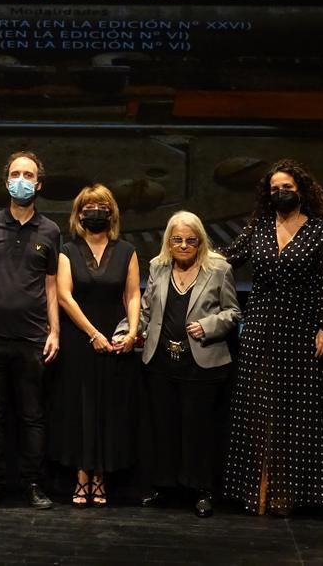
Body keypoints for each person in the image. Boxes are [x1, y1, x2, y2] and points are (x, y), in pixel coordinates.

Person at [222, 158, 323, 516]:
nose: (281, 193)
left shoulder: (321, 231)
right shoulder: (259, 228)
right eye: (275, 189)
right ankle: (253, 492)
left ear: (301, 190)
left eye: (287, 187)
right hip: (259, 326)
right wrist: (185, 251)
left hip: (301, 328)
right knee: (257, 411)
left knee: (296, 413)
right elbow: (226, 259)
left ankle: (288, 494)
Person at [0, 151, 61, 510]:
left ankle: (33, 484)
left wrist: (55, 332)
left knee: (32, 416)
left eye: (29, 174)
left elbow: (51, 286)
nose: (22, 179)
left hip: (33, 338)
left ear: (39, 184)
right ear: (6, 181)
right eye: (16, 173)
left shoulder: (50, 230)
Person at [136, 211, 239, 518]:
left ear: (200, 241)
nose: (183, 246)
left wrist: (208, 325)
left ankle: (202, 490)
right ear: (169, 241)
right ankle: (164, 487)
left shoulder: (218, 269)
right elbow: (145, 311)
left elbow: (233, 313)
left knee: (198, 430)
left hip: (201, 364)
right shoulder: (158, 266)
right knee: (164, 428)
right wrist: (127, 333)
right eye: (177, 240)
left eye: (190, 240)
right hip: (161, 360)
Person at [48, 184, 140, 507]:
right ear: (79, 214)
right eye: (88, 207)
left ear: (111, 212)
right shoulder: (67, 251)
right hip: (80, 340)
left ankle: (100, 477)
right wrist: (92, 334)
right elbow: (63, 296)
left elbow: (132, 295)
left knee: (108, 411)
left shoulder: (127, 250)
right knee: (81, 411)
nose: (95, 211)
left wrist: (131, 333)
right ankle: (81, 477)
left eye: (101, 206)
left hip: (115, 342)